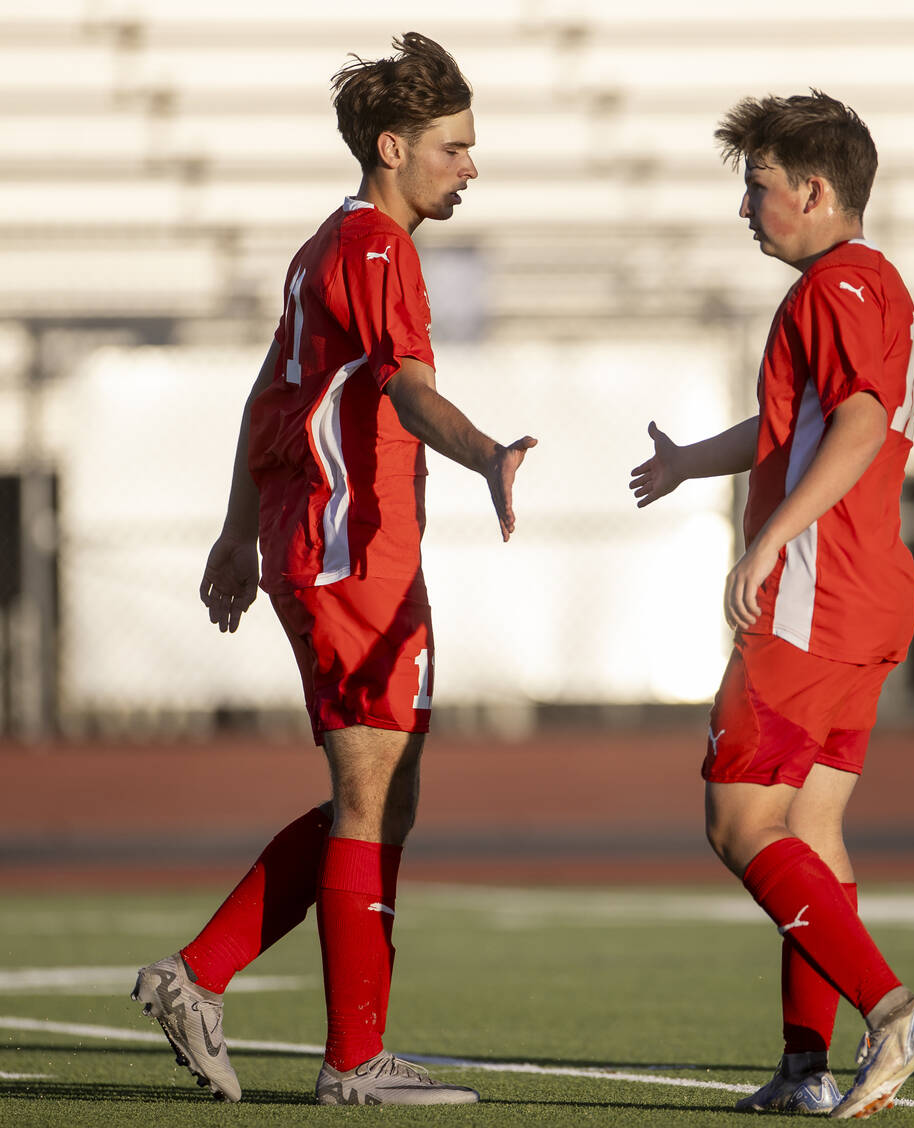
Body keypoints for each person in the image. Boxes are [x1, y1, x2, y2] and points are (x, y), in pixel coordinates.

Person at [131, 32, 535, 1107]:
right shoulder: (373, 251)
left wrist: (235, 530)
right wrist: (488, 451)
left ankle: (205, 979)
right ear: (393, 147)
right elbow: (403, 388)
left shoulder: (327, 250)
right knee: (371, 789)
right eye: (455, 146)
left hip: (328, 543)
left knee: (382, 795)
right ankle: (349, 1057)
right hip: (350, 550)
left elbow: (271, 392)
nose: (470, 165)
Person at [629, 91, 914, 1119]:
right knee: (809, 831)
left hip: (819, 595)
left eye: (757, 186)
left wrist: (770, 536)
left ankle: (893, 1008)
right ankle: (805, 1071)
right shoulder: (869, 288)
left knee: (738, 820)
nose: (745, 209)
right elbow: (808, 422)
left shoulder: (838, 287)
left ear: (814, 192)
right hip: (868, 598)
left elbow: (855, 422)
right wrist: (693, 462)